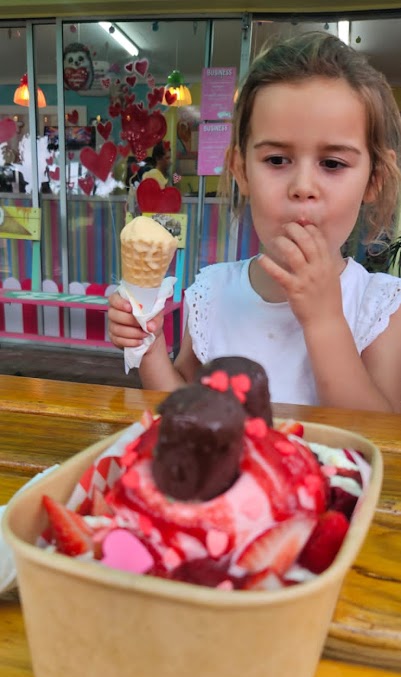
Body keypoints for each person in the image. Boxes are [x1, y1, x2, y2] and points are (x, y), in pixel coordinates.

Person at [108, 31, 401, 412]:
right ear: (240, 170)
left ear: (373, 181)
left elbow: (383, 444)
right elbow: (184, 410)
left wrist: (324, 321)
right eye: (277, 160)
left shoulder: (379, 307)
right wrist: (147, 343)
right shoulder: (212, 293)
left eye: (332, 163)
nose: (303, 187)